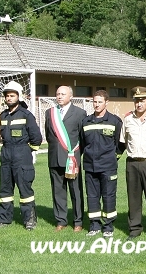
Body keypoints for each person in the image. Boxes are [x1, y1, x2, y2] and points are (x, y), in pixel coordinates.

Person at [0, 81, 42, 230]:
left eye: (12, 95)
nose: (9, 98)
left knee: (25, 189)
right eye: (7, 95)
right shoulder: (3, 115)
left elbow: (36, 138)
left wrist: (28, 152)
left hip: (21, 154)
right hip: (6, 154)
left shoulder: (26, 115)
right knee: (5, 189)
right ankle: (4, 219)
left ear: (19, 97)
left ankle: (29, 220)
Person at [120, 86, 146, 240]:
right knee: (133, 198)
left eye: (142, 100)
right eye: (136, 100)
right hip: (132, 163)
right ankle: (134, 229)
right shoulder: (128, 119)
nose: (139, 104)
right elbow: (123, 141)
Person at [80, 90, 123, 237]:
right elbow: (83, 142)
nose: (96, 105)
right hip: (90, 166)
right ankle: (94, 225)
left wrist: (112, 157)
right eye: (95, 101)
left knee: (108, 196)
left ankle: (108, 226)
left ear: (106, 102)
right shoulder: (86, 122)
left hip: (108, 166)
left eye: (100, 102)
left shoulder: (115, 121)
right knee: (92, 196)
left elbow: (120, 144)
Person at [45, 85, 87, 232]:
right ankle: (61, 220)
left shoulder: (80, 113)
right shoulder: (49, 113)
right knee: (58, 191)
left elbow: (83, 137)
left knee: (76, 191)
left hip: (72, 159)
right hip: (54, 158)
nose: (60, 96)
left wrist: (75, 155)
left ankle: (78, 221)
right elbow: (49, 135)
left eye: (63, 94)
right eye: (57, 94)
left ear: (71, 96)